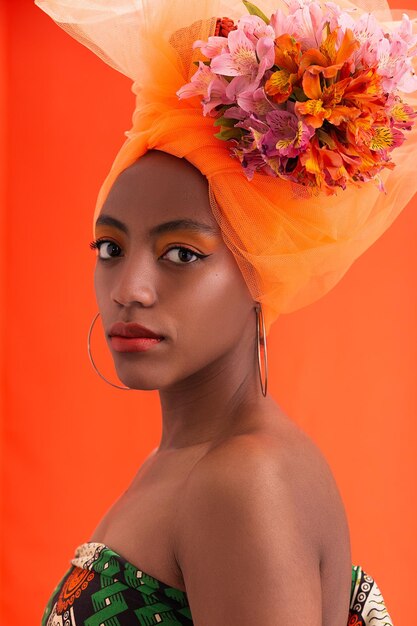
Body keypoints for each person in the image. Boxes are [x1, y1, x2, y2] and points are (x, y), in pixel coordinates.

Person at [35, 0, 417, 624]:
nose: (130, 288)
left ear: (259, 266)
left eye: (181, 253)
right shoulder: (196, 459)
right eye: (111, 247)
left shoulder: (243, 480)